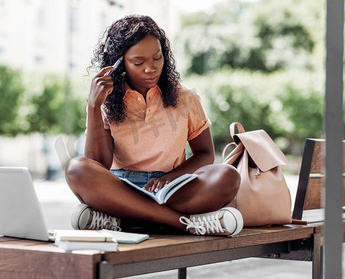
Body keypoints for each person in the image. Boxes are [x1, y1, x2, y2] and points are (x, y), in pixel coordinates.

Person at [65, 15, 243, 236]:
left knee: (227, 176)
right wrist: (94, 106)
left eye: (157, 58)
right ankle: (182, 223)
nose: (151, 68)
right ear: (118, 65)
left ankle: (123, 220)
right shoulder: (105, 101)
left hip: (172, 189)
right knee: (77, 169)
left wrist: (170, 178)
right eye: (138, 62)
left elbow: (205, 153)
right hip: (121, 187)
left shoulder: (186, 97)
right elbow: (98, 164)